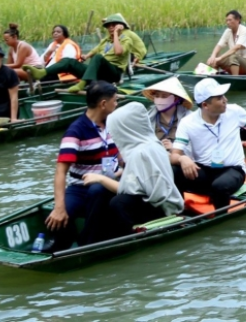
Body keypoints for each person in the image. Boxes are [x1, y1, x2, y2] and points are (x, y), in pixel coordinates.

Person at [171, 78, 246, 210]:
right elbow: (173, 156)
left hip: (233, 169)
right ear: (205, 105)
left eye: (223, 96)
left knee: (220, 186)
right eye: (219, 98)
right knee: (173, 171)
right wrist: (183, 158)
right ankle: (180, 211)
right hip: (205, 170)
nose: (225, 100)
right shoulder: (188, 122)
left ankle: (219, 217)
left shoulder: (234, 111)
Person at [86, 102, 184, 241]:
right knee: (99, 192)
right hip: (152, 200)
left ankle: (122, 240)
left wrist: (100, 178)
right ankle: (96, 238)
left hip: (162, 209)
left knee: (118, 202)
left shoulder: (141, 153)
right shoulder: (148, 145)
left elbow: (126, 190)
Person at [45, 81, 122, 247]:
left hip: (110, 183)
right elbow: (60, 172)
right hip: (80, 188)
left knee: (98, 190)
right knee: (60, 215)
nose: (116, 104)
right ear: (103, 104)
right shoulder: (76, 131)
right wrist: (59, 207)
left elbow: (123, 156)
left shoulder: (115, 124)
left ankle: (87, 243)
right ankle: (61, 246)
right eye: (115, 101)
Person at [28, 14, 145, 91]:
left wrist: (116, 34)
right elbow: (97, 49)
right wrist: (86, 56)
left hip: (114, 73)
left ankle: (82, 83)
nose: (110, 28)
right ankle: (42, 72)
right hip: (100, 72)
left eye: (113, 26)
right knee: (69, 61)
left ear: (121, 26)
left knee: (98, 58)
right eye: (108, 26)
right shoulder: (106, 39)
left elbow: (119, 52)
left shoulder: (126, 39)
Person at [142, 76, 193, 150]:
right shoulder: (147, 118)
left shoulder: (189, 119)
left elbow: (195, 147)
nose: (159, 99)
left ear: (175, 98)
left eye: (164, 96)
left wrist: (175, 149)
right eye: (157, 96)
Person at [207, 11, 246, 75]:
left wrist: (220, 58)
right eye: (226, 20)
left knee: (233, 57)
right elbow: (219, 45)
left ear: (238, 20)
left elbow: (236, 48)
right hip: (233, 62)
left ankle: (235, 79)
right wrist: (213, 57)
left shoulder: (245, 30)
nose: (228, 22)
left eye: (230, 20)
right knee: (213, 60)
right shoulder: (228, 31)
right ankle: (214, 79)